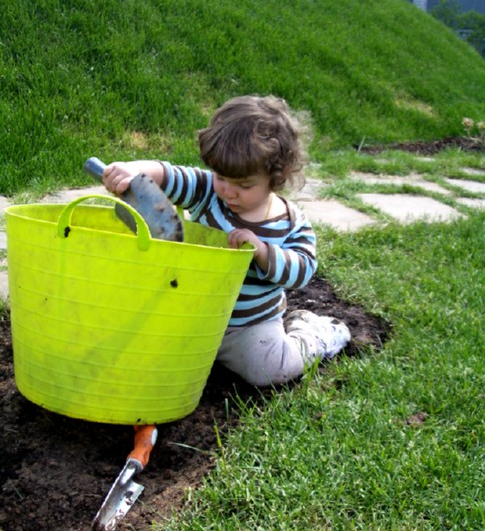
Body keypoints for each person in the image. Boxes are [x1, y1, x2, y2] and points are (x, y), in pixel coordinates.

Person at [103, 95, 350, 386]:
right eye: (221, 177)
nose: (228, 192)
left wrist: (262, 252)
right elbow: (170, 174)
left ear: (276, 179)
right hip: (192, 314)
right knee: (131, 339)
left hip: (246, 327)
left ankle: (314, 334)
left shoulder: (290, 223)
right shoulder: (208, 192)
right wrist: (134, 170)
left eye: (244, 185)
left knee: (269, 369)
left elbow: (303, 270)